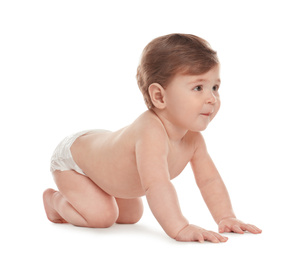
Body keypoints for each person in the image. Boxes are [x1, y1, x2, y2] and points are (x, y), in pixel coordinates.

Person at [43, 33, 262, 242]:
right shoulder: (150, 132)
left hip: (102, 151)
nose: (212, 98)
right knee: (102, 217)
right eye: (198, 87)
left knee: (131, 216)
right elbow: (156, 185)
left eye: (215, 87)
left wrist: (226, 217)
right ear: (159, 96)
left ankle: (97, 189)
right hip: (74, 161)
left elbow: (209, 180)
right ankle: (54, 200)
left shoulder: (193, 139)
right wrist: (180, 227)